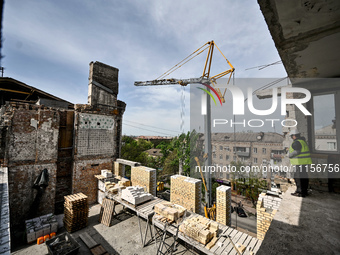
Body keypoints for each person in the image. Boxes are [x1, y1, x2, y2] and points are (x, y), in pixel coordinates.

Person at [288, 129, 312, 197]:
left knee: (298, 177)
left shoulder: (297, 142)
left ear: (294, 136)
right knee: (304, 177)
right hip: (304, 162)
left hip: (299, 163)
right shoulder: (303, 141)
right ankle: (304, 191)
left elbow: (297, 151)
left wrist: (289, 155)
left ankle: (300, 192)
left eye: (292, 136)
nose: (292, 138)